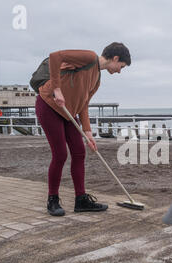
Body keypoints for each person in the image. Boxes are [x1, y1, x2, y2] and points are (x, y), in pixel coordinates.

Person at [35, 42, 131, 216]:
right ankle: (53, 200)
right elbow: (55, 56)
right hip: (49, 104)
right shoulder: (88, 57)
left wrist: (88, 133)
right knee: (60, 154)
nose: (119, 71)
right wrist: (57, 89)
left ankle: (81, 200)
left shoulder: (97, 80)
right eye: (121, 66)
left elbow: (83, 104)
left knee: (79, 152)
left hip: (69, 113)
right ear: (115, 58)